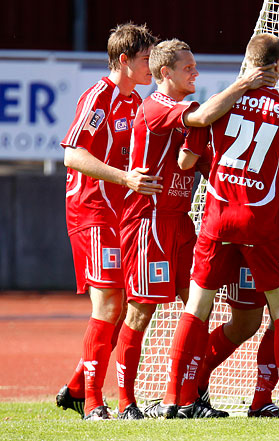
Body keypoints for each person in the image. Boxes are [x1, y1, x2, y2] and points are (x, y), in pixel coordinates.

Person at [148, 33, 279, 419]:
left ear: (248, 62)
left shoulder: (216, 107)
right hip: (261, 220)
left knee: (198, 307)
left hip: (217, 218)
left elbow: (186, 161)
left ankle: (175, 399)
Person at [114, 38, 279, 420]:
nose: (196, 73)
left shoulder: (188, 112)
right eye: (188, 68)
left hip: (182, 222)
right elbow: (203, 118)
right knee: (141, 312)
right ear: (165, 73)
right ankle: (125, 403)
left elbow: (204, 160)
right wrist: (244, 84)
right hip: (149, 222)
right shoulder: (157, 105)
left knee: (198, 307)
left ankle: (189, 398)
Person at [56, 23, 161, 421]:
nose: (151, 66)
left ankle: (77, 386)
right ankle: (94, 403)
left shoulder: (137, 102)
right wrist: (125, 178)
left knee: (123, 306)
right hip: (91, 211)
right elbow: (71, 155)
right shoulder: (100, 96)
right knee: (110, 303)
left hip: (121, 214)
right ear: (124, 60)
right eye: (146, 59)